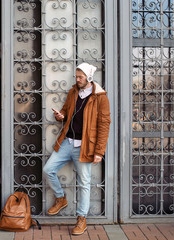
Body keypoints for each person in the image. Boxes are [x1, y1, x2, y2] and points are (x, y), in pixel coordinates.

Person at [43, 62, 111, 235]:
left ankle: (82, 219)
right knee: (48, 169)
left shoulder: (100, 97)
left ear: (89, 77)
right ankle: (61, 198)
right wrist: (61, 116)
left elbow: (104, 125)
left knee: (84, 184)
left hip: (85, 146)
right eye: (76, 76)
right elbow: (66, 112)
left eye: (80, 77)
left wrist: (99, 151)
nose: (77, 79)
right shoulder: (74, 92)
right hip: (67, 142)